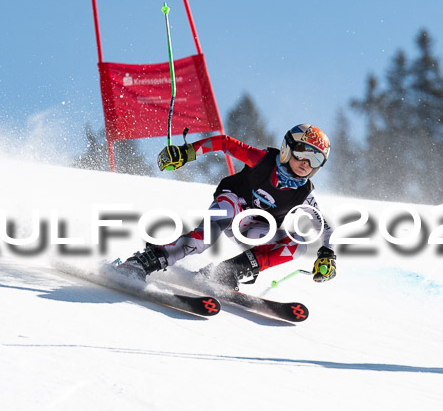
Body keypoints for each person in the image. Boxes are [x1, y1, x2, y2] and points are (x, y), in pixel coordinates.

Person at [120, 123, 337, 290]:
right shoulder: (263, 161)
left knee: (297, 245)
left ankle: (227, 273)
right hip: (232, 202)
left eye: (315, 158)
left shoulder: (305, 193)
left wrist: (328, 253)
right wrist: (187, 152)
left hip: (252, 227)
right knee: (204, 239)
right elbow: (225, 143)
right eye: (302, 152)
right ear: (287, 148)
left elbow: (324, 226)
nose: (306, 163)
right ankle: (145, 261)